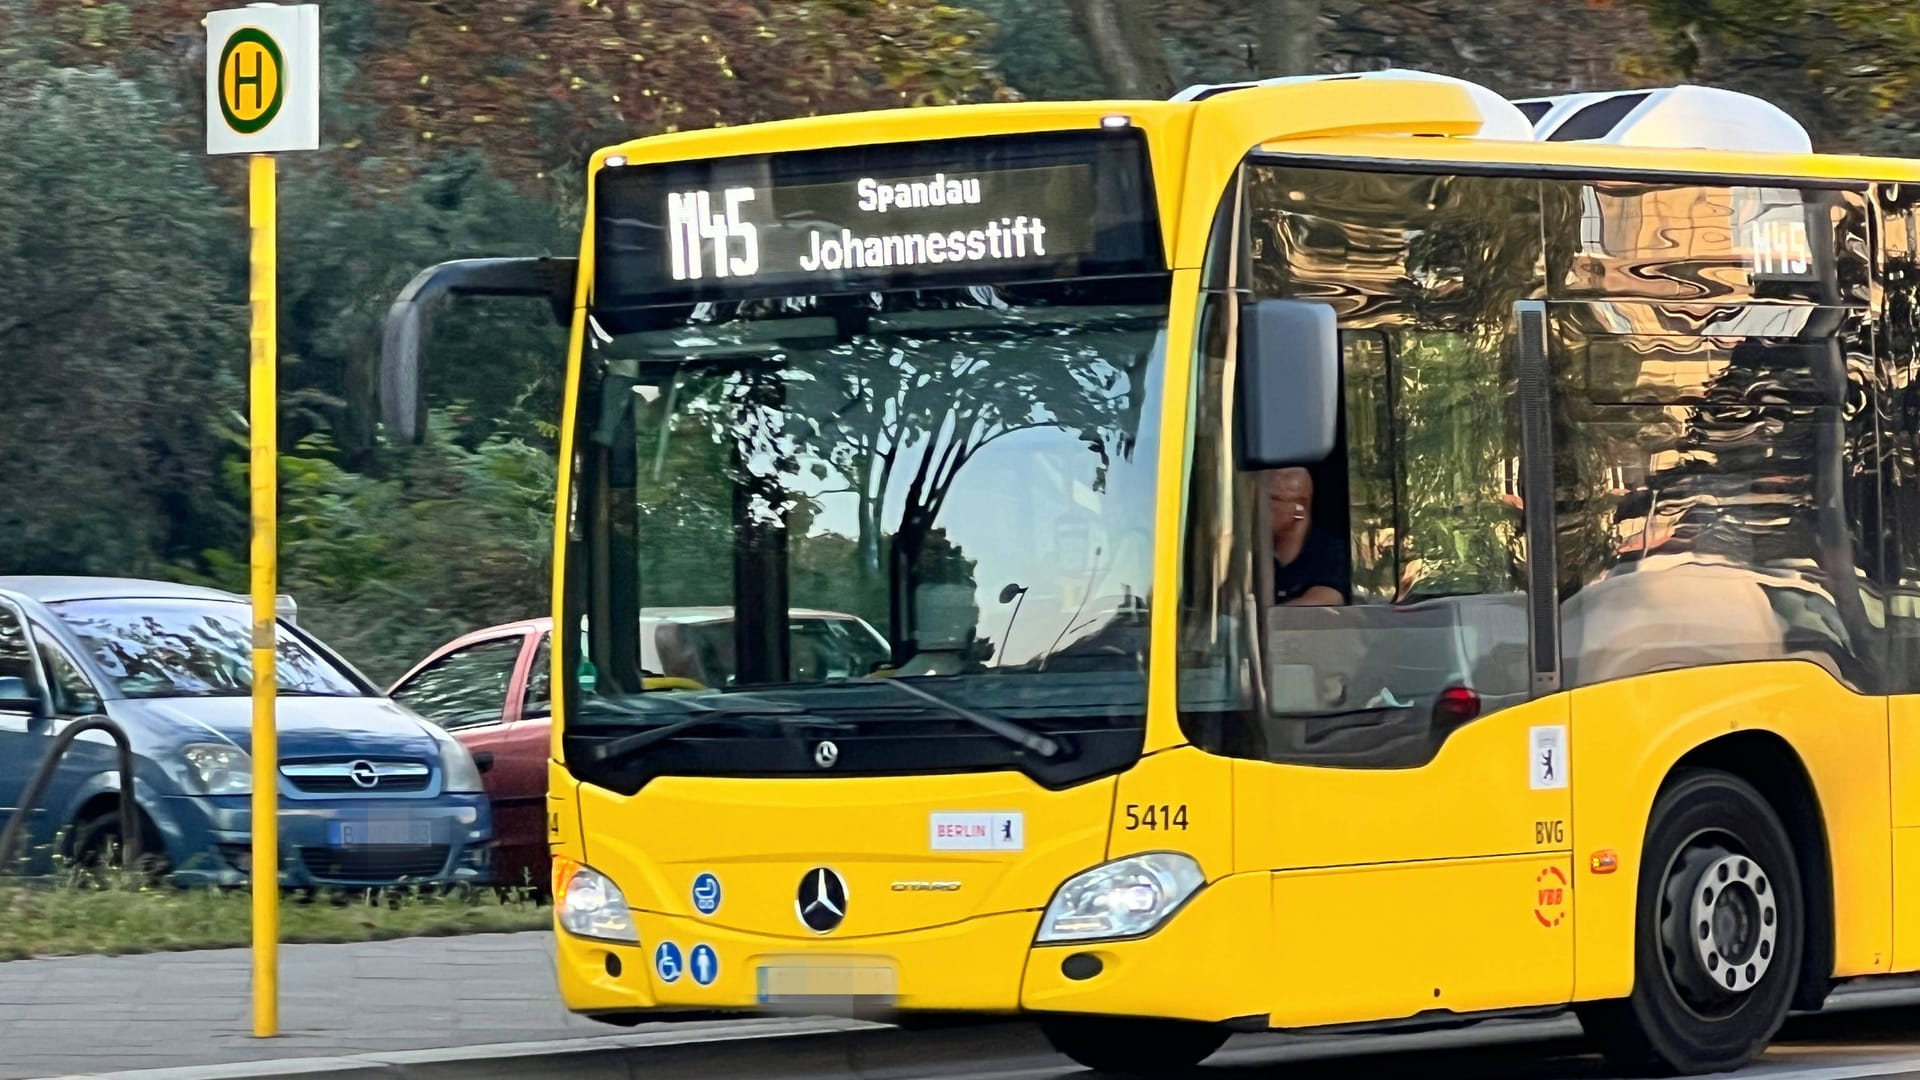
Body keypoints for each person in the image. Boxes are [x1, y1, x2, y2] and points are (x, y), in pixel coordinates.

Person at [1268, 467, 1349, 606]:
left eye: (1274, 499)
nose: (1262, 508)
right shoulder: (1252, 551)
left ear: (1299, 508)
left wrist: (1262, 620)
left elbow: (1326, 600)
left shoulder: (1331, 553)